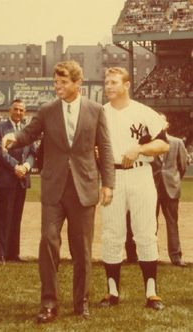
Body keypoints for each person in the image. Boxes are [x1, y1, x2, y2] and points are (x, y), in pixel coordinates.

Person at [2, 60, 115, 323]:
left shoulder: (96, 110)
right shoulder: (47, 110)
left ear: (78, 83)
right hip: (54, 189)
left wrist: (108, 183)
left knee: (82, 250)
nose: (58, 87)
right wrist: (13, 138)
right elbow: (28, 134)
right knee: (48, 243)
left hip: (83, 189)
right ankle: (49, 304)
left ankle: (81, 302)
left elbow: (106, 149)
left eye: (63, 83)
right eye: (56, 82)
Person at [100, 67, 169, 311]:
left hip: (141, 173)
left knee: (145, 232)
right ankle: (112, 291)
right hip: (112, 175)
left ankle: (152, 293)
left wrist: (139, 149)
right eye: (106, 82)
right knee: (111, 232)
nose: (108, 86)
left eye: (114, 82)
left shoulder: (143, 112)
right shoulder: (100, 113)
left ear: (127, 85)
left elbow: (163, 144)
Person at [0, 99, 36, 264]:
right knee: (4, 217)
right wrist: (15, 167)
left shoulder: (27, 130)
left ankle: (14, 253)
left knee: (16, 217)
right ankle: (2, 254)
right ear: (10, 110)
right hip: (6, 179)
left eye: (22, 110)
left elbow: (33, 152)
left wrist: (26, 166)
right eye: (16, 109)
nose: (19, 113)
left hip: (22, 179)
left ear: (25, 112)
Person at [152, 115, 188, 267]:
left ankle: (176, 256)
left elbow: (182, 166)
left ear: (167, 124)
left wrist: (174, 180)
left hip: (171, 189)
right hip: (151, 188)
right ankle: (151, 255)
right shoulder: (148, 145)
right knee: (150, 224)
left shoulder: (177, 142)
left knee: (172, 222)